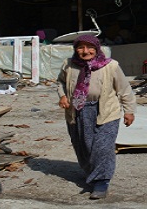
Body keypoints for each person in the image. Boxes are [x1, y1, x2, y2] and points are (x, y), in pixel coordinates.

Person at [57, 34, 136, 200]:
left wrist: (129, 110)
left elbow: (124, 89)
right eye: (81, 47)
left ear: (97, 48)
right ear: (76, 49)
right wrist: (62, 96)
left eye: (90, 47)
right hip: (77, 110)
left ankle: (101, 182)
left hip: (106, 111)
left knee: (103, 147)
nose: (85, 51)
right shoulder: (69, 64)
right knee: (83, 146)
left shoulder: (111, 66)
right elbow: (61, 82)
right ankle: (92, 171)